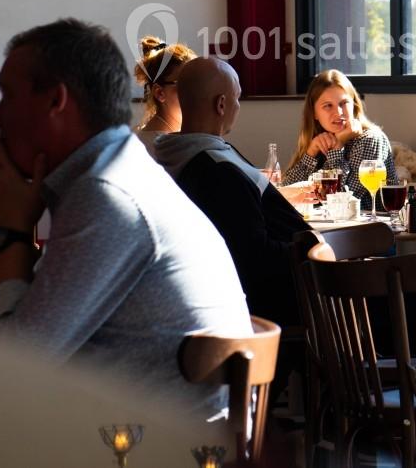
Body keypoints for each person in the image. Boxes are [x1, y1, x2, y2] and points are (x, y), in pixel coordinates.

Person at [0, 18, 250, 411]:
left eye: (7, 96)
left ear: (56, 101)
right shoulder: (123, 170)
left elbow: (12, 368)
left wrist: (12, 232)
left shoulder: (107, 194)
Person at [155, 57, 310, 330]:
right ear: (222, 104)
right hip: (291, 300)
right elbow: (255, 257)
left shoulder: (183, 155)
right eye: (237, 99)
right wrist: (311, 246)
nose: (238, 107)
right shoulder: (215, 171)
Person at [283, 70, 397, 210]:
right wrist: (310, 152)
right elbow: (286, 195)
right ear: (314, 113)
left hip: (366, 227)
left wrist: (337, 147)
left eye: (343, 103)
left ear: (354, 105)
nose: (339, 112)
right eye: (328, 106)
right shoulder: (320, 140)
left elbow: (341, 201)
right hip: (327, 226)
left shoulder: (370, 139)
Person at [132, 36, 197, 160]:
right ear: (160, 93)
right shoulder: (156, 148)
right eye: (186, 83)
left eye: (198, 82)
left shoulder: (179, 139)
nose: (196, 91)